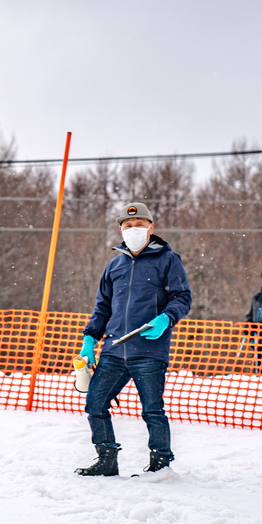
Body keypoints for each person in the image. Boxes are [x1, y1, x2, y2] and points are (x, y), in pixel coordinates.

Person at [76, 201, 191, 477]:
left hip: (150, 351)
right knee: (95, 402)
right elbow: (102, 307)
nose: (134, 229)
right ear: (120, 229)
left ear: (151, 228)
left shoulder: (167, 260)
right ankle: (106, 459)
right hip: (114, 350)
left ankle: (161, 463)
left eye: (139, 225)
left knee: (152, 409)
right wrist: (90, 340)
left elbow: (182, 297)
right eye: (128, 226)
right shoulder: (114, 265)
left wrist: (166, 319)